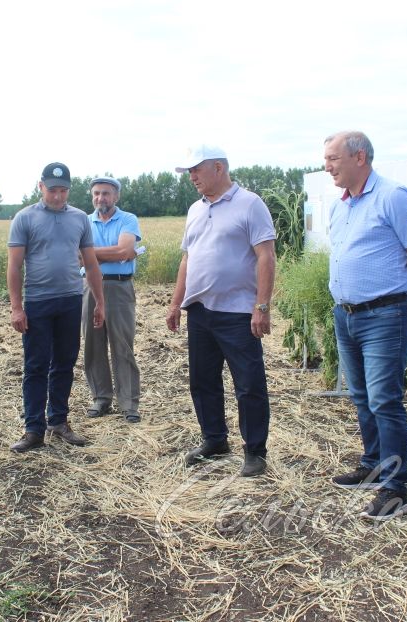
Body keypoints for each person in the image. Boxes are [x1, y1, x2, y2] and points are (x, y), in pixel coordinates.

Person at [323, 131, 407, 519]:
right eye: (326, 159)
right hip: (347, 314)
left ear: (360, 157)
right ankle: (372, 463)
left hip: (385, 315)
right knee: (361, 395)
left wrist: (402, 293)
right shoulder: (341, 206)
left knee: (386, 399)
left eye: (334, 158)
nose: (327, 166)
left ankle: (395, 487)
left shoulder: (393, 196)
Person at [166, 145, 276, 477]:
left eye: (196, 170)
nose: (191, 177)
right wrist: (175, 303)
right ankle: (214, 440)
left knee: (249, 384)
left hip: (238, 312)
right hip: (200, 310)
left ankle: (255, 452)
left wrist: (262, 306)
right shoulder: (195, 210)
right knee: (203, 381)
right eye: (188, 172)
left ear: (218, 167)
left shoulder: (250, 204)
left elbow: (266, 256)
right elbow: (188, 258)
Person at [7, 162, 106, 452]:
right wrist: (16, 307)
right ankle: (33, 429)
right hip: (38, 302)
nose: (58, 196)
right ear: (41, 187)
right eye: (53, 190)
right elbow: (14, 266)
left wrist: (100, 302)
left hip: (71, 300)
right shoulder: (24, 218)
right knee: (36, 365)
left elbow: (90, 263)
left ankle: (59, 421)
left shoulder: (79, 219)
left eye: (63, 190)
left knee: (64, 362)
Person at [82, 176, 142, 423]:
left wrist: (89, 254)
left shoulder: (128, 219)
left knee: (122, 344)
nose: (101, 198)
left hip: (119, 286)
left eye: (106, 193)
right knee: (93, 345)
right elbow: (77, 257)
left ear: (116, 197)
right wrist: (111, 255)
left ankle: (129, 403)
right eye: (96, 193)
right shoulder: (84, 221)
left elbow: (125, 251)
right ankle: (101, 398)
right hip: (89, 288)